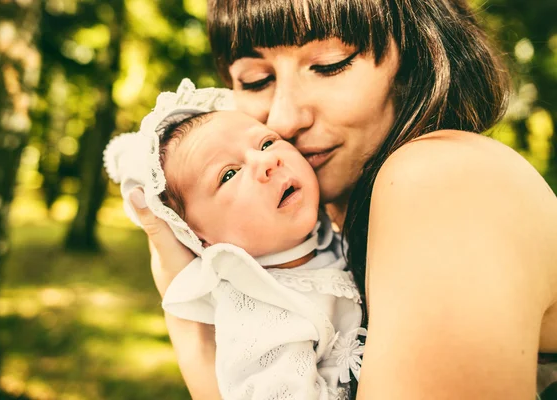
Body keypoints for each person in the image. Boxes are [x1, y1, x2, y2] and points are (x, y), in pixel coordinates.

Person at [128, 0, 557, 399]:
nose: (283, 119)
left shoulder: (441, 178)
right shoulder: (340, 236)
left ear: (415, 55)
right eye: (256, 80)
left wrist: (190, 329)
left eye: (330, 65)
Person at [104, 79, 366, 399]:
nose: (266, 161)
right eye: (229, 174)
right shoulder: (261, 313)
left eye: (267, 143)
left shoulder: (335, 233)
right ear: (202, 240)